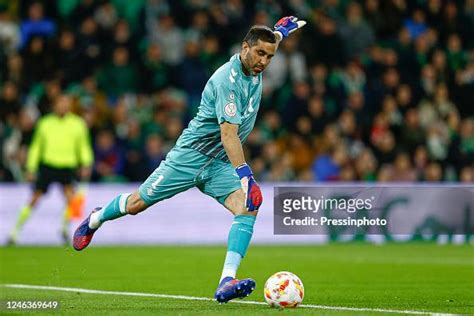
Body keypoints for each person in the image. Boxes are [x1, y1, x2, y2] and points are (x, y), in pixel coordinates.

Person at [73, 17, 305, 303]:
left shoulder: (258, 58)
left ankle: (226, 280)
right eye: (259, 53)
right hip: (190, 157)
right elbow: (229, 135)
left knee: (248, 207)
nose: (264, 61)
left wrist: (280, 32)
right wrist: (247, 176)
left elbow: (270, 40)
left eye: (270, 56)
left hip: (218, 163)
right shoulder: (226, 81)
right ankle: (95, 219)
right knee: (136, 204)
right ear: (244, 48)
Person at [8, 94, 93, 245]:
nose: (63, 106)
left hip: (67, 166)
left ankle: (65, 230)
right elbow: (36, 147)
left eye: (66, 103)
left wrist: (86, 164)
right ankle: (15, 232)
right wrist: (31, 168)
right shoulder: (45, 123)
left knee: (71, 200)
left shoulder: (77, 124)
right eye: (60, 103)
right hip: (48, 166)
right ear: (54, 105)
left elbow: (83, 146)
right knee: (34, 199)